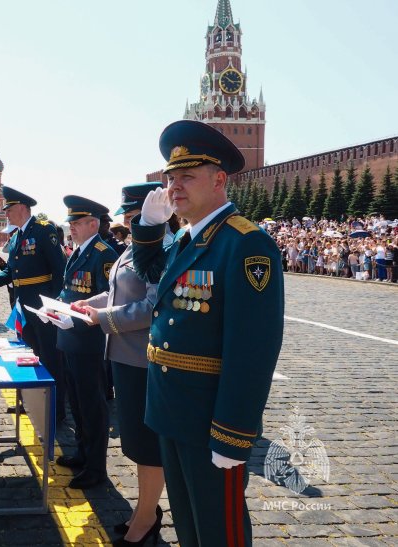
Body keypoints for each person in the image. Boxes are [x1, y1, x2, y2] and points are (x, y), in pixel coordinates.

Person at [130, 120, 284, 546]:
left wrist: (232, 434)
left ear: (219, 180)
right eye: (171, 177)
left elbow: (253, 350)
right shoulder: (185, 238)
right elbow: (149, 272)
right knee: (191, 526)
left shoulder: (246, 244)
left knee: (220, 531)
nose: (175, 186)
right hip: (171, 410)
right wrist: (147, 227)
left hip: (208, 418)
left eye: (187, 176)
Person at [77, 182, 165, 545]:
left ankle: (147, 517)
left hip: (144, 359)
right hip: (123, 356)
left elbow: (151, 306)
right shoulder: (135, 248)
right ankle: (144, 509)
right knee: (134, 441)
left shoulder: (160, 250)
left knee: (146, 445)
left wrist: (103, 318)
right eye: (129, 217)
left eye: (134, 216)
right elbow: (117, 292)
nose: (129, 223)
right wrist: (88, 306)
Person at [0, 186, 68, 421]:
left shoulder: (44, 230)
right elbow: (10, 274)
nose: (6, 214)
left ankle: (55, 409)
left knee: (50, 358)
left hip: (43, 308)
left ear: (23, 208)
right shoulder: (16, 238)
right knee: (28, 356)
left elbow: (60, 270)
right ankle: (31, 402)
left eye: (9, 209)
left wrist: (53, 304)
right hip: (23, 306)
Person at [45, 195, 118, 490]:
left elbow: (108, 298)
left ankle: (96, 467)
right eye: (70, 223)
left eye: (76, 223)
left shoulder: (103, 254)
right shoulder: (78, 252)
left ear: (93, 224)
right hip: (69, 337)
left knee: (92, 405)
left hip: (89, 342)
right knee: (76, 402)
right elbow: (69, 291)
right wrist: (55, 306)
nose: (71, 228)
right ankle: (82, 453)